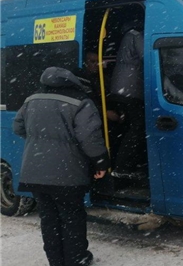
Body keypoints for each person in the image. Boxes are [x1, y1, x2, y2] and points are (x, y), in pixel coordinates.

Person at [12, 66, 110, 266]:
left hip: (35, 172)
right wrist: (100, 161)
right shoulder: (81, 102)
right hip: (68, 172)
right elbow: (90, 138)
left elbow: (18, 128)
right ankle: (76, 259)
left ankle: (56, 261)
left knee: (49, 219)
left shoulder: (31, 100)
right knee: (72, 217)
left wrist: (40, 144)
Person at [109, 19, 147, 179]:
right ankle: (123, 167)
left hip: (122, 88)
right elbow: (147, 55)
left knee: (129, 127)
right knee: (137, 128)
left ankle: (128, 163)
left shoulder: (127, 36)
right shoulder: (135, 35)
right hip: (131, 89)